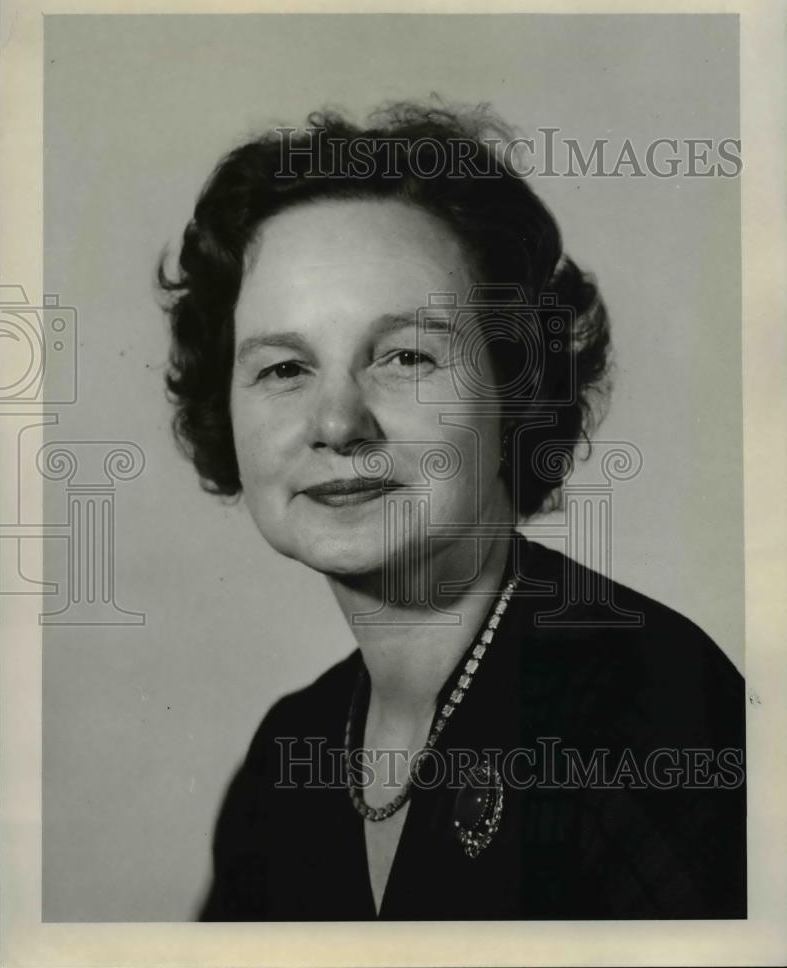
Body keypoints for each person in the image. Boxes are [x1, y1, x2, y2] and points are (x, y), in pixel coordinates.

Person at [158, 102, 746, 920]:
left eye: (405, 356)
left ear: (517, 386)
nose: (336, 425)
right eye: (285, 368)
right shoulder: (286, 761)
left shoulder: (652, 712)